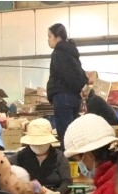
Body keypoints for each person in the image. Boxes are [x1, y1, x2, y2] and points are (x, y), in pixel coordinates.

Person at [7, 118, 72, 194]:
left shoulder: (59, 157)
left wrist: (56, 193)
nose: (38, 147)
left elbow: (67, 182)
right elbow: (6, 176)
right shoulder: (20, 157)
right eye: (34, 144)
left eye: (42, 143)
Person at [47, 23, 89, 151]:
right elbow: (81, 75)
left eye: (49, 36)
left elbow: (67, 75)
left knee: (65, 136)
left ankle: (66, 165)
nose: (48, 40)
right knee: (73, 134)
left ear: (57, 37)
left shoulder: (59, 53)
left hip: (62, 98)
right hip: (73, 98)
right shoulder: (71, 52)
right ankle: (75, 162)